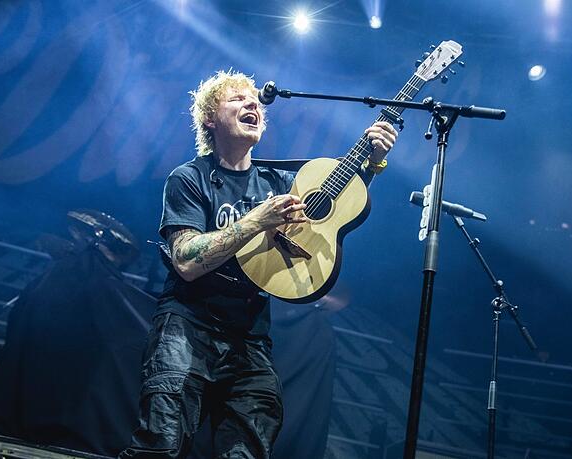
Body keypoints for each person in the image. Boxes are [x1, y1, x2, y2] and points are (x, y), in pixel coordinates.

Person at [119, 70, 397, 458]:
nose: (252, 104)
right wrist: (256, 220)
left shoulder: (281, 182)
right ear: (210, 120)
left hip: (249, 336)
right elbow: (184, 261)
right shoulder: (190, 178)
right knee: (160, 447)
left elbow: (337, 206)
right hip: (187, 326)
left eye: (254, 102)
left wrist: (371, 164)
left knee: (247, 450)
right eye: (237, 99)